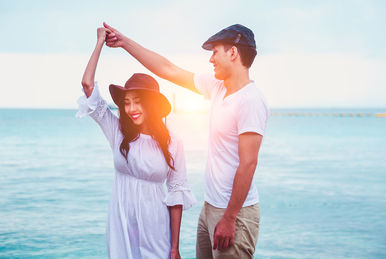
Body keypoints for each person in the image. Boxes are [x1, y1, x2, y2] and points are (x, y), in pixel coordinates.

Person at [103, 22, 268, 258]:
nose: (211, 59)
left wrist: (229, 218)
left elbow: (248, 163)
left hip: (235, 214)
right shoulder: (218, 89)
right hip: (211, 207)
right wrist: (124, 42)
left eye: (215, 52)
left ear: (233, 52)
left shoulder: (250, 100)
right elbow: (167, 69)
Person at [76, 27, 196, 259]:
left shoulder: (172, 141)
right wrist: (100, 42)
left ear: (150, 105)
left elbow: (176, 193)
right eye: (127, 102)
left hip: (155, 225)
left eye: (138, 102)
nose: (131, 109)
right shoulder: (118, 131)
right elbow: (87, 86)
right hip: (121, 220)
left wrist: (175, 247)